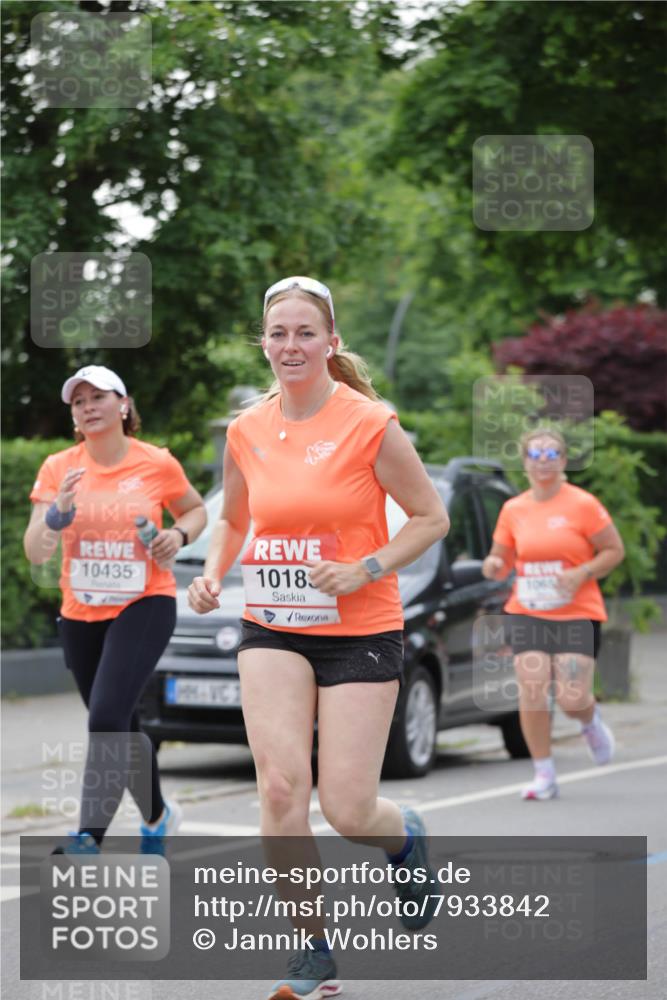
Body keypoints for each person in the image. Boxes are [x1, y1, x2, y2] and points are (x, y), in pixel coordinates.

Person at [187, 276, 450, 999]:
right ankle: (313, 950)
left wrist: (363, 566)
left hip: (360, 627)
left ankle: (403, 839)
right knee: (278, 788)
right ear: (263, 343)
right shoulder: (246, 427)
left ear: (331, 342)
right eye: (278, 334)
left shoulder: (369, 422)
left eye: (306, 332)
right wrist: (213, 572)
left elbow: (430, 519)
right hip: (272, 624)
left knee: (347, 808)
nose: (290, 345)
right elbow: (235, 519)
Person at [24, 365, 206, 853]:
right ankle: (158, 817)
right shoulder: (58, 468)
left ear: (123, 405)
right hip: (81, 611)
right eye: (78, 401)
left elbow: (195, 509)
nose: (88, 406)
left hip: (145, 602)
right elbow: (36, 551)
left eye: (98, 396)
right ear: (75, 418)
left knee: (105, 717)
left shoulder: (156, 462)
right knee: (122, 726)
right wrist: (57, 516)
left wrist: (178, 535)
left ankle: (89, 835)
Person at [481, 426, 625, 801]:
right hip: (527, 610)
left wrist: (582, 572)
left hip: (577, 611)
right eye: (536, 455)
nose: (543, 463)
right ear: (525, 462)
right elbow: (502, 558)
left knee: (572, 696)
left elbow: (613, 551)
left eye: (551, 455)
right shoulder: (514, 508)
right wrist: (494, 564)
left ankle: (589, 721)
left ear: (563, 461)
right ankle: (543, 772)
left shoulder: (583, 505)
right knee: (531, 690)